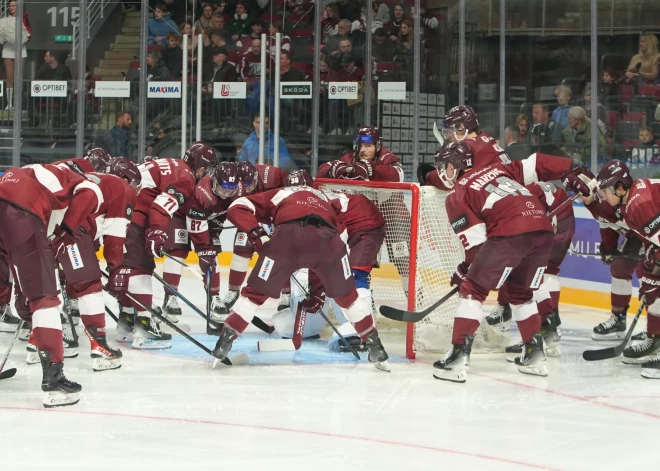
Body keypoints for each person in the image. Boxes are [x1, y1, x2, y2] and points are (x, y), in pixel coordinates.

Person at [431, 141, 587, 383]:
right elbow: (537, 164)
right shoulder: (499, 169)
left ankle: (458, 358)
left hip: (510, 231)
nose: (442, 171)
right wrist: (572, 167)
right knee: (521, 293)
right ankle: (535, 357)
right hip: (543, 230)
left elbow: (476, 247)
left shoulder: (457, 193)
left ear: (454, 166)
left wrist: (465, 272)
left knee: (473, 290)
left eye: (444, 166)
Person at [213, 178, 391, 372]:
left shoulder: (281, 193)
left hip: (286, 240)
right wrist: (317, 290)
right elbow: (323, 246)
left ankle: (224, 343)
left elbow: (236, 207)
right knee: (349, 299)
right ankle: (376, 347)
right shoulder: (326, 198)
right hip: (330, 242)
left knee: (253, 296)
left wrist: (257, 234)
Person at [0, 164, 105, 407]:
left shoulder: (42, 174)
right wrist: (65, 232)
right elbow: (90, 193)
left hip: (9, 204)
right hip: (21, 211)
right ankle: (54, 380)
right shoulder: (80, 180)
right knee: (45, 297)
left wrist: (24, 294)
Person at [107, 142, 214, 349]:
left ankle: (127, 321)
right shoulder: (187, 178)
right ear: (200, 168)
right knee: (141, 269)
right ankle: (144, 327)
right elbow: (160, 207)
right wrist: (157, 231)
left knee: (129, 269)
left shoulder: (172, 163)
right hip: (132, 214)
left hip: (120, 212)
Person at [46, 158, 141, 372]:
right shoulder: (123, 188)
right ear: (127, 179)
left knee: (46, 287)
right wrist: (116, 268)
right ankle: (100, 348)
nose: (136, 190)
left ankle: (38, 345)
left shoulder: (97, 180)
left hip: (42, 221)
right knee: (88, 285)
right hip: (70, 228)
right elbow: (115, 238)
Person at [279, 170, 387, 352]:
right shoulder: (301, 206)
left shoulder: (313, 206)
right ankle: (342, 325)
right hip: (347, 225)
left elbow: (332, 245)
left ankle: (360, 333)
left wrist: (318, 289)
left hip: (365, 222)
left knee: (353, 276)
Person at [579, 160, 660, 378]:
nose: (603, 195)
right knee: (654, 291)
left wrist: (653, 271)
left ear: (620, 187)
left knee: (654, 288)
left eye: (606, 190)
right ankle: (655, 339)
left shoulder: (638, 204)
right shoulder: (626, 201)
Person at [486, 181, 575, 358]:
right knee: (542, 270)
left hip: (544, 218)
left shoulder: (504, 199)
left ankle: (539, 330)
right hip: (562, 216)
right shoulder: (517, 188)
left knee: (525, 271)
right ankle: (550, 327)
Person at [567, 165, 645, 342]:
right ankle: (618, 320)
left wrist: (646, 246)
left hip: (650, 234)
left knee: (647, 275)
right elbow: (607, 225)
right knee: (619, 268)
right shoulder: (596, 200)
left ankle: (655, 330)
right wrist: (608, 248)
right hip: (636, 234)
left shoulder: (608, 196)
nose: (579, 197)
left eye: (580, 193)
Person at [161, 161, 240, 321]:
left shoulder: (237, 191)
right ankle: (170, 297)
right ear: (215, 181)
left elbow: (231, 209)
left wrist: (217, 225)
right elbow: (196, 228)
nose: (225, 194)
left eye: (230, 191)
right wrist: (204, 249)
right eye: (222, 189)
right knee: (178, 251)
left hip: (209, 217)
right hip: (182, 215)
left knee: (213, 256)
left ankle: (214, 297)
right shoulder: (203, 193)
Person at [217, 161, 288, 316]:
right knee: (241, 248)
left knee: (282, 253)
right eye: (244, 186)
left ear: (256, 175)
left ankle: (287, 294)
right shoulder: (234, 182)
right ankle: (233, 291)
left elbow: (290, 192)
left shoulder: (274, 174)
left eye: (251, 184)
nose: (248, 189)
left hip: (276, 217)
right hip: (252, 219)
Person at [317, 126, 403, 182]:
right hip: (359, 205)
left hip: (386, 208)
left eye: (367, 146)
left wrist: (370, 170)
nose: (362, 150)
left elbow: (399, 175)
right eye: (360, 146)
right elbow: (321, 170)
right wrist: (334, 170)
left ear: (377, 146)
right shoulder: (349, 158)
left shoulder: (387, 157)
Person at [0, 0, 31, 109]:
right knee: (9, 77)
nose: (11, 8)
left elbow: (28, 35)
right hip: (8, 49)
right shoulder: (4, 21)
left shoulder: (23, 20)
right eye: (10, 6)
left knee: (18, 78)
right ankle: (9, 104)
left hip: (20, 50)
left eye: (14, 6)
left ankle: (17, 103)